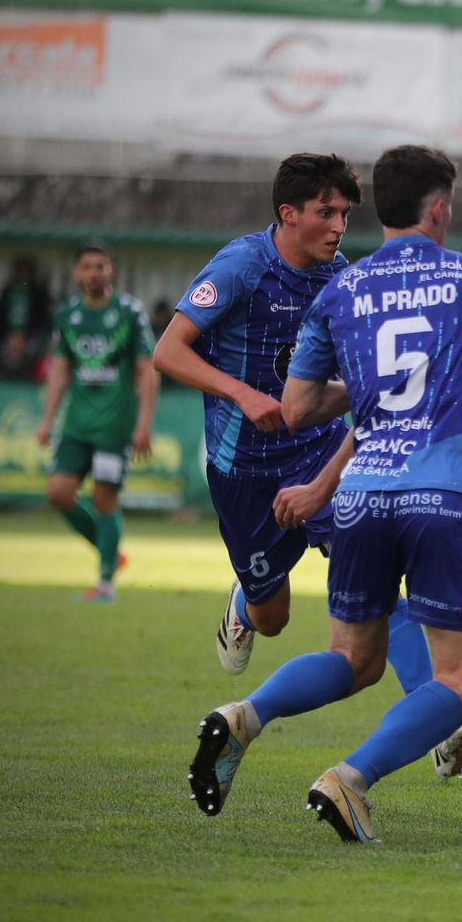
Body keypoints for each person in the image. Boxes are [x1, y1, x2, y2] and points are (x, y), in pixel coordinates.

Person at [185, 145, 462, 845]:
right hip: (444, 496)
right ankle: (350, 779)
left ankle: (246, 715)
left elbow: (297, 408)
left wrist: (376, 397)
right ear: (441, 207)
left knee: (354, 659)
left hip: (359, 495)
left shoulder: (340, 291)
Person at [153, 153, 386, 675]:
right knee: (273, 616)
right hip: (245, 469)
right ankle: (244, 605)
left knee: (369, 558)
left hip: (320, 449)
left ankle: (437, 714)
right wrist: (243, 394)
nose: (339, 227)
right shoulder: (242, 266)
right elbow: (167, 353)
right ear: (288, 213)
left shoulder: (339, 275)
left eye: (345, 214)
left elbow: (351, 366)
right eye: (326, 212)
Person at [35, 245, 158, 601]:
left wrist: (143, 425)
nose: (93, 273)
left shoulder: (128, 313)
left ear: (111, 270)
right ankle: (111, 552)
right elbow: (60, 370)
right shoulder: (68, 314)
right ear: (77, 273)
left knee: (105, 498)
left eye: (100, 266)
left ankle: (105, 582)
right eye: (86, 267)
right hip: (76, 425)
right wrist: (46, 420)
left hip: (114, 427)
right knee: (58, 492)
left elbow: (145, 369)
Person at [0, 257, 51, 358]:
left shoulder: (37, 292)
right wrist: (11, 334)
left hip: (30, 336)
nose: (23, 275)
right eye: (21, 271)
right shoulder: (8, 290)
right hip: (8, 335)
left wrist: (27, 334)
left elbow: (42, 315)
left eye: (26, 271)